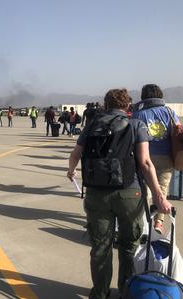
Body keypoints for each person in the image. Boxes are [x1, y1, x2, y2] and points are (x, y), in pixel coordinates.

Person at [67, 88, 172, 299]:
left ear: (106, 105)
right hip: (129, 193)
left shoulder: (91, 125)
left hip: (96, 194)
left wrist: (71, 171)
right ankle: (127, 290)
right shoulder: (136, 125)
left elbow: (75, 154)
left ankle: (100, 293)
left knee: (100, 248)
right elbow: (145, 163)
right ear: (127, 105)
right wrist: (159, 196)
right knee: (128, 245)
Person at [132, 84, 179, 233]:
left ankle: (145, 221)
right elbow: (177, 131)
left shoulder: (138, 114)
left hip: (145, 157)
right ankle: (159, 222)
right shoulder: (169, 112)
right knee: (162, 189)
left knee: (145, 191)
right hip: (166, 157)